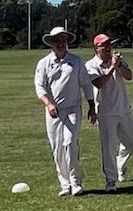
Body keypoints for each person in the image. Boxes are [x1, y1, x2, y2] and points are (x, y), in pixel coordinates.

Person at [34, 26, 97, 196]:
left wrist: (92, 106)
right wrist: (48, 104)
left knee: (69, 143)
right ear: (52, 43)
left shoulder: (76, 61)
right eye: (57, 40)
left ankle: (76, 181)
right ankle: (65, 184)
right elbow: (40, 87)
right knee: (57, 148)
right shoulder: (44, 63)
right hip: (53, 110)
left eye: (63, 40)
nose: (60, 43)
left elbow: (85, 84)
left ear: (67, 42)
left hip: (73, 108)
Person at [85, 34, 133, 192]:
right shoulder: (91, 65)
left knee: (131, 142)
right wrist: (112, 67)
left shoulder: (117, 59)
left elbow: (129, 76)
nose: (108, 48)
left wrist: (119, 65)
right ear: (96, 48)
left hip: (123, 108)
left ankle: (120, 165)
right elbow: (98, 83)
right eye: (104, 45)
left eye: (109, 45)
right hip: (106, 111)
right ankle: (111, 181)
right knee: (108, 147)